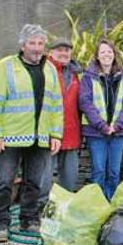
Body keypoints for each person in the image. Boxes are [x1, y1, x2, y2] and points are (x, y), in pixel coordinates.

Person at [0, 24, 63, 242]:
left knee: (34, 181)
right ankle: (0, 224)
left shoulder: (50, 69)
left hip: (40, 136)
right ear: (22, 45)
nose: (37, 48)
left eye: (40, 43)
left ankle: (29, 218)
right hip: (10, 137)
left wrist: (56, 135)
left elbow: (56, 105)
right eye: (32, 43)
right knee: (5, 182)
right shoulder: (5, 67)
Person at [79, 39, 123, 201]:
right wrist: (102, 126)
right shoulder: (88, 77)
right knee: (98, 170)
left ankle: (111, 204)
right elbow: (85, 102)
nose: (106, 55)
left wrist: (118, 125)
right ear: (97, 56)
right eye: (103, 52)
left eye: (109, 51)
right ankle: (97, 204)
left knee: (114, 172)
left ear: (114, 54)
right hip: (96, 132)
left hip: (119, 131)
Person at [40, 38, 82, 210]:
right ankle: (40, 208)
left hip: (71, 131)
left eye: (67, 50)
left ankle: (65, 209)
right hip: (48, 132)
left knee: (70, 176)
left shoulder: (76, 74)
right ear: (51, 52)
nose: (64, 54)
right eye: (60, 50)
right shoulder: (43, 69)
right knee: (44, 175)